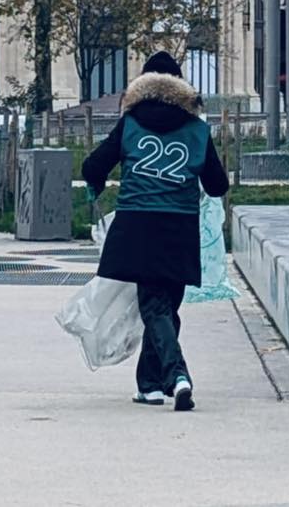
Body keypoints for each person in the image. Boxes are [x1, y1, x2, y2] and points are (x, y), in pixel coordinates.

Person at [81, 51, 229, 412]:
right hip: (178, 226)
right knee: (165, 305)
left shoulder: (131, 123)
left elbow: (93, 164)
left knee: (155, 306)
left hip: (137, 223)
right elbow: (217, 185)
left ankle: (177, 375)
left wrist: (96, 184)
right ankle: (149, 385)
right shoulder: (197, 129)